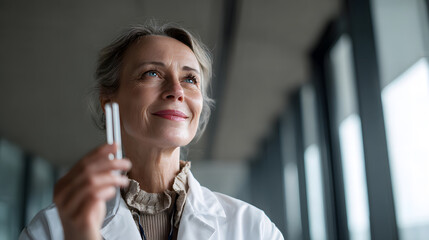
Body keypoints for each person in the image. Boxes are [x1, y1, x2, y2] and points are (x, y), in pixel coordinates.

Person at [19, 22, 284, 240]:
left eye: (190, 79)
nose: (177, 91)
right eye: (152, 74)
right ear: (109, 101)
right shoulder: (51, 230)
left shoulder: (252, 228)